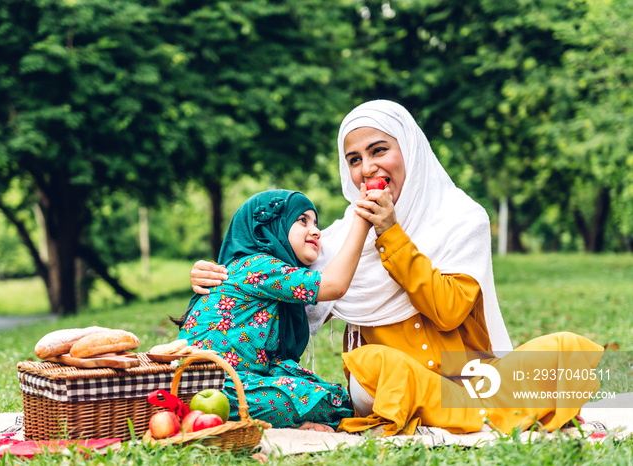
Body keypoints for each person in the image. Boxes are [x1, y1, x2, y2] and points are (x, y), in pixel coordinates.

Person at [189, 100, 604, 436]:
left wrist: (391, 232)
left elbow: (449, 310)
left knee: (563, 349)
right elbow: (278, 289)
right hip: (385, 384)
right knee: (382, 367)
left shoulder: (463, 219)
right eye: (353, 159)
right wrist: (214, 277)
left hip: (465, 375)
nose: (366, 169)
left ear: (411, 150)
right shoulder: (340, 239)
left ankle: (464, 407)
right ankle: (488, 411)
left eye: (379, 150)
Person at [174, 188, 379, 432]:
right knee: (330, 401)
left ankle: (288, 419)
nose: (315, 230)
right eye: (302, 220)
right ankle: (281, 421)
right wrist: (363, 221)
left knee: (319, 391)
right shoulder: (259, 267)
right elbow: (334, 286)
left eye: (316, 222)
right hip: (217, 388)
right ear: (269, 228)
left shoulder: (262, 271)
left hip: (234, 381)